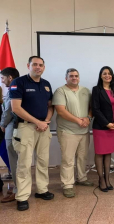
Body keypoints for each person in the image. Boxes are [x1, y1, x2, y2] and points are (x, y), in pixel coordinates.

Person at [10, 56, 54, 211]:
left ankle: (42, 190)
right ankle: (22, 196)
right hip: (26, 128)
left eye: (41, 65)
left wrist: (46, 121)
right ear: (28, 65)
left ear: (44, 67)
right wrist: (37, 122)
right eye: (34, 64)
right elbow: (16, 108)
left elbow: (50, 106)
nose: (38, 67)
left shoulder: (47, 84)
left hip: (43, 127)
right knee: (24, 163)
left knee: (43, 161)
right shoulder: (18, 83)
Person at [52, 68, 94, 198]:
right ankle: (67, 185)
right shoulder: (60, 91)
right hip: (67, 131)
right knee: (68, 160)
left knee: (82, 157)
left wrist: (88, 118)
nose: (74, 78)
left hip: (84, 130)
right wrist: (78, 120)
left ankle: (81, 178)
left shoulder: (86, 91)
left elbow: (91, 108)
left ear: (79, 78)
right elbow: (60, 111)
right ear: (66, 78)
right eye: (71, 76)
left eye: (76, 76)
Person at [92, 66, 114, 192]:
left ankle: (107, 178)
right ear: (101, 76)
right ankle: (101, 179)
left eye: (109, 74)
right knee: (100, 153)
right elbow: (95, 109)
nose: (107, 76)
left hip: (113, 127)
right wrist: (107, 124)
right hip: (100, 127)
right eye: (104, 74)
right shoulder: (96, 90)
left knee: (108, 153)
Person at [0, 67, 20, 203]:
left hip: (12, 128)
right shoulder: (22, 85)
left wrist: (2, 124)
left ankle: (17, 191)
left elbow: (8, 110)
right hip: (18, 129)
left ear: (10, 78)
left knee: (14, 161)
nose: (2, 81)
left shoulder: (14, 88)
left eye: (3, 78)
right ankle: (18, 187)